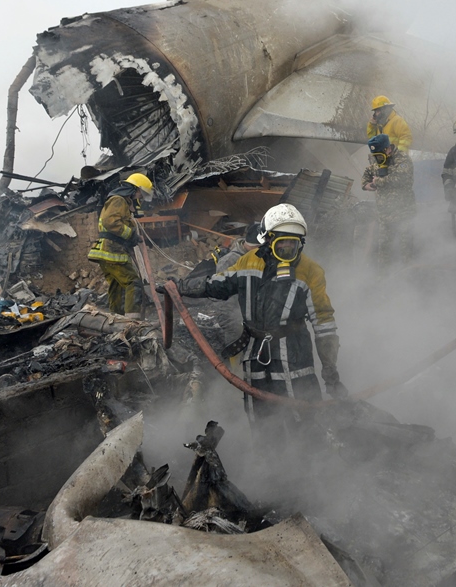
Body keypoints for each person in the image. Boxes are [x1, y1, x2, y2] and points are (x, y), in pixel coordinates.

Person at [178, 203, 346, 432]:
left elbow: (324, 323)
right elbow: (218, 285)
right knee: (260, 414)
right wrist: (180, 287)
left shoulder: (310, 271)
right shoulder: (249, 262)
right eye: (282, 242)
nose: (288, 248)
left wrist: (330, 371)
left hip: (295, 355)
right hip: (256, 353)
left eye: (293, 243)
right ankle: (265, 458)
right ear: (267, 241)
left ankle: (309, 459)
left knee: (304, 412)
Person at [87, 173, 153, 320]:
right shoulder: (118, 200)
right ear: (135, 189)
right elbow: (110, 222)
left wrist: (133, 237)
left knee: (116, 286)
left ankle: (115, 319)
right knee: (133, 282)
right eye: (140, 193)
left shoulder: (122, 201)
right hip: (112, 250)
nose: (140, 197)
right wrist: (131, 235)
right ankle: (132, 322)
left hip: (108, 251)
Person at [362, 134, 416, 268]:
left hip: (404, 213)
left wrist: (378, 182)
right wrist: (365, 184)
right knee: (385, 249)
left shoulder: (402, 160)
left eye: (379, 154)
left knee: (406, 248)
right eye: (375, 155)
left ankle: (408, 278)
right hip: (385, 215)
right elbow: (368, 172)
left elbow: (401, 179)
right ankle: (385, 279)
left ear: (388, 149)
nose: (377, 158)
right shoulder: (377, 159)